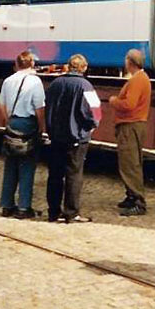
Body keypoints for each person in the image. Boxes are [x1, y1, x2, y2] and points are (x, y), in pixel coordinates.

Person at [45, 54, 97, 223]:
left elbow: (47, 107)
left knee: (55, 174)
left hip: (56, 136)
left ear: (68, 66)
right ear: (84, 68)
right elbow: (95, 112)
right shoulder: (86, 86)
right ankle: (71, 212)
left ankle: (53, 212)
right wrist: (91, 126)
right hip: (76, 137)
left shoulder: (55, 84)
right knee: (74, 175)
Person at [0, 51, 46, 219]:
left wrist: (9, 121)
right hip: (28, 124)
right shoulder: (35, 81)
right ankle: (24, 208)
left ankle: (6, 206)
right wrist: (41, 128)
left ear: (16, 64)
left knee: (10, 165)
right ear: (32, 64)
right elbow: (39, 108)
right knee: (27, 166)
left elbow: (2, 104)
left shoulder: (8, 80)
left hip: (12, 122)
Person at [109, 48, 151, 216]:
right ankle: (131, 196)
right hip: (134, 124)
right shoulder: (142, 78)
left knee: (130, 163)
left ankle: (138, 201)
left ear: (130, 62)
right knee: (131, 161)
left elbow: (129, 104)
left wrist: (114, 101)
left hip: (130, 125)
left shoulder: (136, 81)